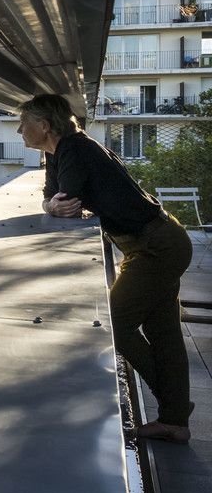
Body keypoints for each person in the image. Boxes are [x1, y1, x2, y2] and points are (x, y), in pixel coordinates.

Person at [18, 93, 194, 442]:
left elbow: (64, 202)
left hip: (157, 246)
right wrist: (50, 206)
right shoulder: (59, 152)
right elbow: (52, 198)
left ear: (44, 125)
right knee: (163, 333)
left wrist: (54, 206)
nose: (19, 130)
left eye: (24, 123)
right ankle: (175, 420)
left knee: (115, 325)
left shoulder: (76, 150)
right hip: (152, 243)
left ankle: (175, 407)